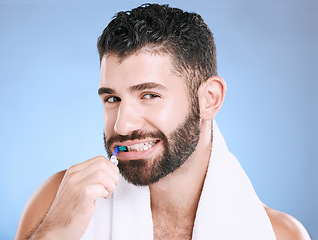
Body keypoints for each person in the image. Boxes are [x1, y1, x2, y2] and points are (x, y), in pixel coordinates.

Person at [15, 3, 310, 240]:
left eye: (149, 95)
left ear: (209, 99)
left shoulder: (280, 235)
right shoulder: (55, 202)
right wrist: (53, 233)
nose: (122, 126)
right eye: (112, 99)